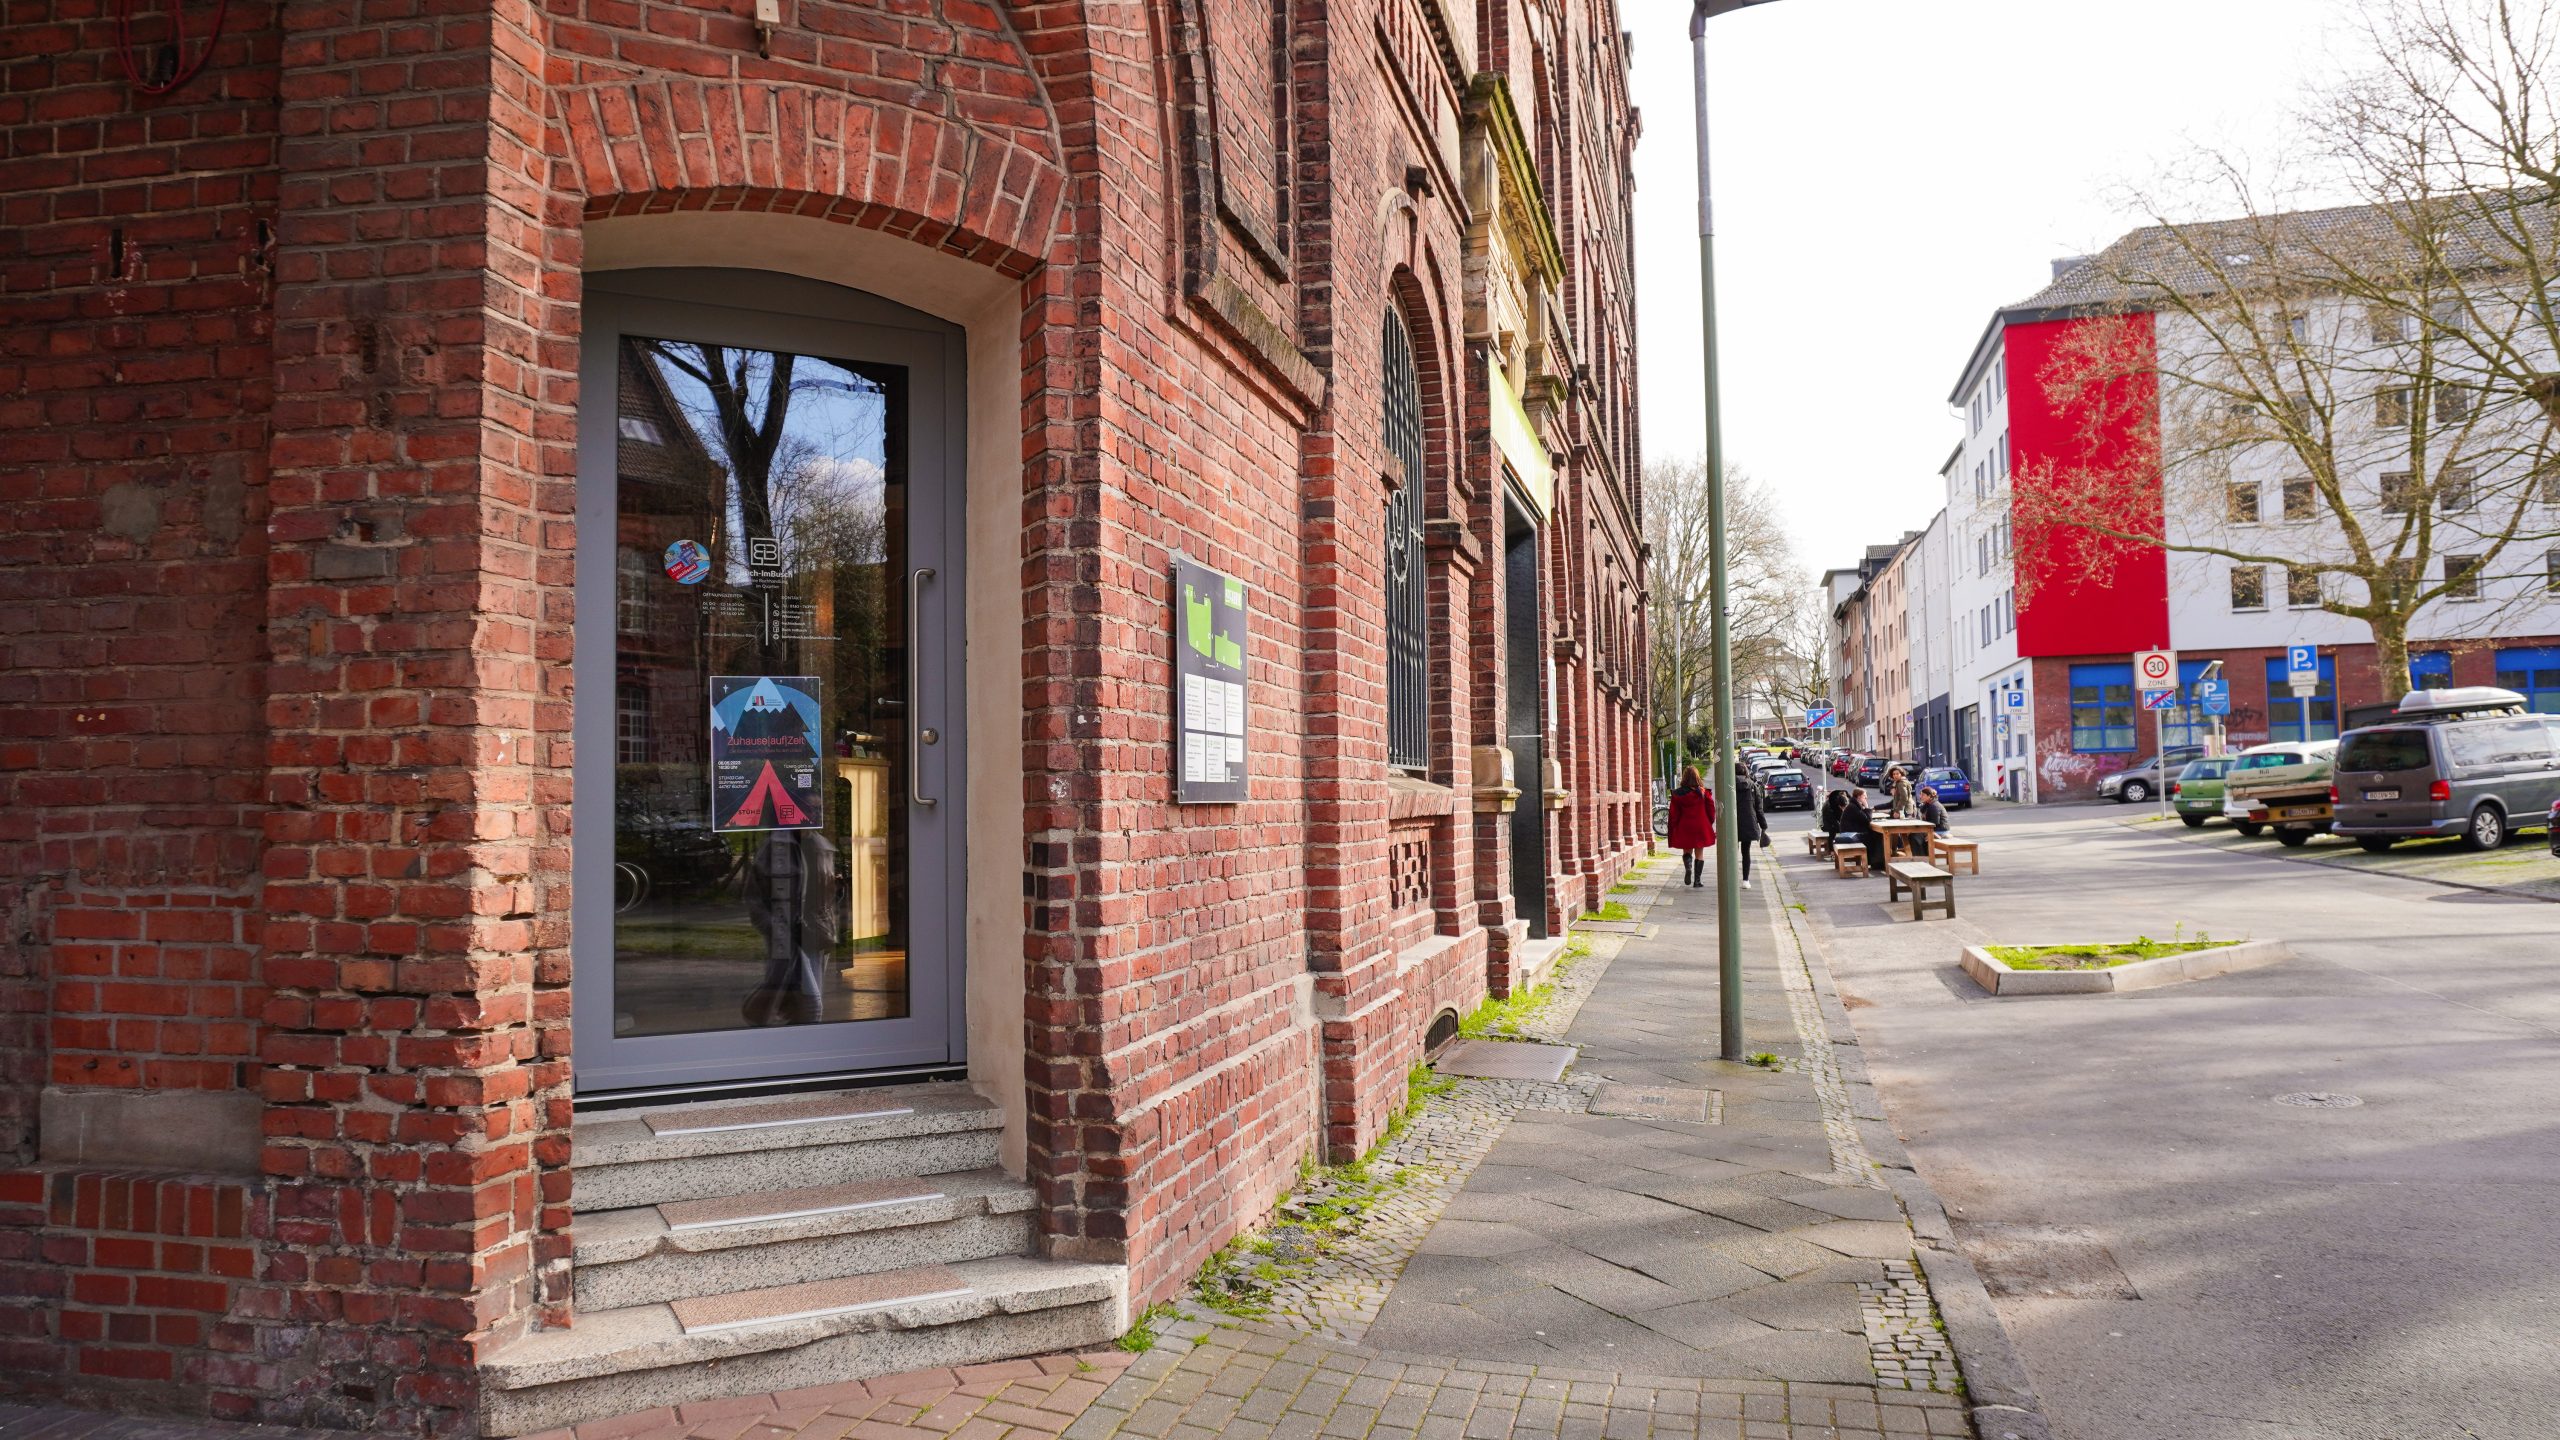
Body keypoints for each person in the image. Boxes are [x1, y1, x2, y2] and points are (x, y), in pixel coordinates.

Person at [1666, 765, 1715, 887]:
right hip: (1700, 826)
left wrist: (1674, 825)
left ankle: (1688, 867)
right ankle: (1697, 881)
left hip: (1684, 826)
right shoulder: (1703, 793)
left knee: (1687, 851)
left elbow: (1673, 814)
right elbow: (1711, 810)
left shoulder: (1677, 794)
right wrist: (1709, 822)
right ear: (1697, 777)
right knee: (1700, 854)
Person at [1727, 774, 1767, 889]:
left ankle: (1731, 880)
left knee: (1732, 852)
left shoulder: (1729, 784)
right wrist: (1763, 825)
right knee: (1746, 852)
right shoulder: (1752, 785)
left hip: (1732, 823)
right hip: (1748, 822)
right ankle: (1745, 880)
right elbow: (1758, 808)